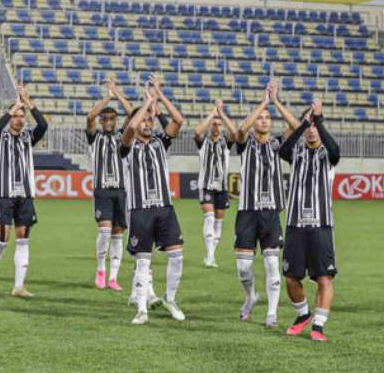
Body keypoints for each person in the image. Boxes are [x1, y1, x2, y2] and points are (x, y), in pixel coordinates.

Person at [234, 80, 301, 327]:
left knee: (273, 264)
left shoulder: (277, 145)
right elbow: (241, 129)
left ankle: (272, 313)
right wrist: (264, 101)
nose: (263, 120)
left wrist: (276, 103)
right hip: (247, 213)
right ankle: (251, 295)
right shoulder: (246, 144)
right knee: (243, 267)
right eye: (260, 117)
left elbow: (296, 127)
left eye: (267, 117)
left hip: (271, 213)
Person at [120, 79, 185, 324]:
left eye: (150, 119)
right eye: (144, 120)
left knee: (177, 256)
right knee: (143, 261)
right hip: (140, 210)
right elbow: (129, 130)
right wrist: (147, 103)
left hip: (164, 208)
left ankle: (170, 298)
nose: (147, 123)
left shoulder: (160, 142)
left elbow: (178, 121)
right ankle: (142, 310)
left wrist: (160, 95)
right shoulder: (126, 146)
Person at [279, 100, 340, 341]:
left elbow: (336, 151)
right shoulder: (296, 152)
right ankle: (303, 314)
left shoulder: (328, 154)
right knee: (292, 278)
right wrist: (303, 123)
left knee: (324, 278)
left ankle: (319, 325)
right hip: (295, 225)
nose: (312, 129)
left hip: (321, 226)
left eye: (315, 126)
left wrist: (319, 119)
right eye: (308, 125)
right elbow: (283, 150)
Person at [0, 86, 48, 297]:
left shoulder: (28, 137)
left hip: (26, 196)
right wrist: (12, 109)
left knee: (23, 239)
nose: (20, 119)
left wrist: (28, 102)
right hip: (4, 195)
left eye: (23, 116)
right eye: (16, 116)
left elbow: (43, 124)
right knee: (2, 239)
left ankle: (19, 286)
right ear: (10, 117)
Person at [86, 79, 135, 291]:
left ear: (116, 121)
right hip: (102, 190)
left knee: (117, 235)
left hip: (120, 191)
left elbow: (133, 115)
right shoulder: (94, 137)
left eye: (112, 118)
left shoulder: (121, 137)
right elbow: (89, 117)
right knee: (104, 232)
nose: (108, 121)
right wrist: (108, 97)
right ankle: (100, 270)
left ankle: (113, 278)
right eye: (104, 118)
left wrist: (118, 94)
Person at [194, 99, 237, 268]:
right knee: (210, 218)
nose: (216, 127)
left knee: (219, 223)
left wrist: (221, 114)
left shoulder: (225, 143)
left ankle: (210, 254)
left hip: (221, 187)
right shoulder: (203, 142)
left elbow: (235, 133)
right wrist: (213, 113)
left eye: (219, 125)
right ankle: (210, 256)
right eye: (214, 124)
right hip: (205, 185)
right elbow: (197, 131)